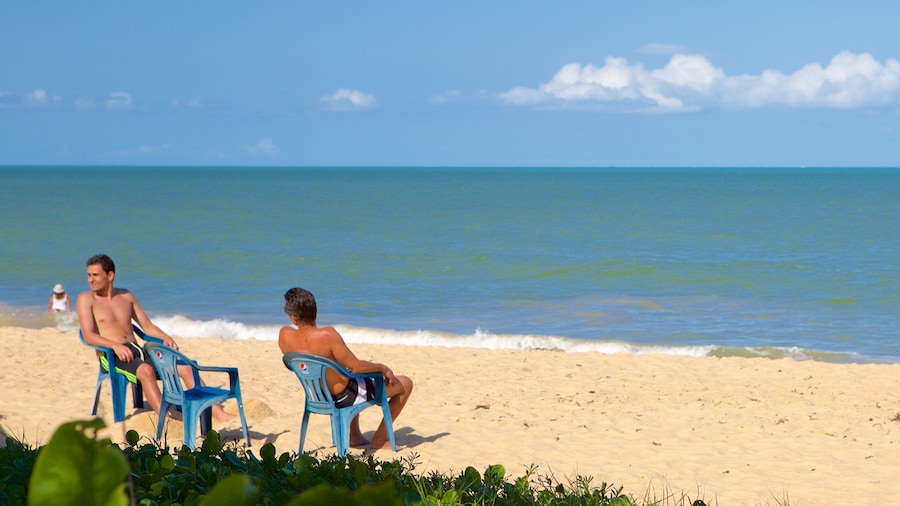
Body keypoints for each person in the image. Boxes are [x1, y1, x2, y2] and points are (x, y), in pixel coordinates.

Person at [76, 254, 234, 423]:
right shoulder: (86, 299)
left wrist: (166, 337)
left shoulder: (126, 296)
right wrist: (115, 346)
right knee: (146, 371)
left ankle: (217, 412)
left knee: (186, 368)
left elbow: (147, 326)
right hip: (111, 356)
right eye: (89, 275)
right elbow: (89, 336)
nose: (90, 280)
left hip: (137, 351)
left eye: (95, 275)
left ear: (110, 275)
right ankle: (164, 419)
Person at [279, 287, 413, 451]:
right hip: (344, 397)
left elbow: (295, 365)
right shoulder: (327, 335)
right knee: (405, 383)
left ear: (294, 318)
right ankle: (378, 440)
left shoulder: (284, 335)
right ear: (314, 310)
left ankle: (354, 435)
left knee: (349, 375)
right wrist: (383, 368)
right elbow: (356, 365)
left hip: (317, 395)